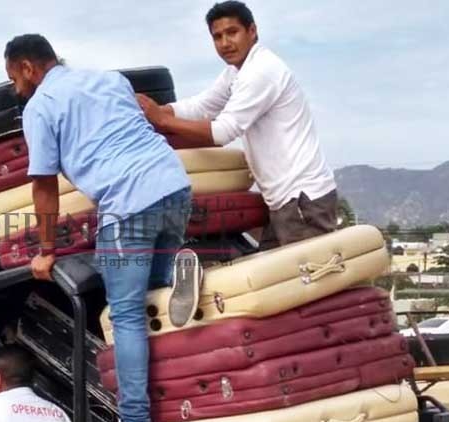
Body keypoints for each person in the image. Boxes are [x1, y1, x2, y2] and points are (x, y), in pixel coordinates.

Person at [4, 34, 200, 422]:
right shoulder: (109, 80)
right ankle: (175, 278)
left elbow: (43, 185)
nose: (15, 89)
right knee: (154, 301)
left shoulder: (41, 106)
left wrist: (46, 251)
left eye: (14, 78)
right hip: (174, 187)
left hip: (127, 204)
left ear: (27, 67)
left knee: (125, 315)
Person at [137, 1, 338, 249]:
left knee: (308, 279)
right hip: (282, 199)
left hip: (301, 199)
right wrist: (152, 110)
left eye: (232, 32)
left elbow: (223, 131)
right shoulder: (237, 72)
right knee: (275, 276)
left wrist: (163, 119)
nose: (224, 43)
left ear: (252, 31)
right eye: (217, 36)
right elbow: (203, 105)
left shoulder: (261, 71)